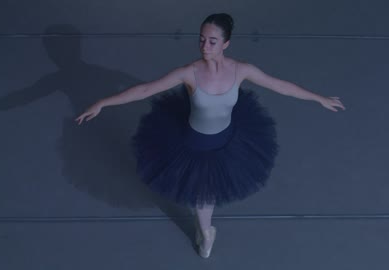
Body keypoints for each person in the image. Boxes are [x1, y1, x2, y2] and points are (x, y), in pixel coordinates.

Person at [75, 13, 345, 259]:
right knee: (201, 195)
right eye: (202, 40)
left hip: (227, 140)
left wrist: (317, 98)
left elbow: (280, 85)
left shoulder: (242, 70)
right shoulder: (189, 72)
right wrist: (103, 102)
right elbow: (146, 90)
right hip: (193, 142)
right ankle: (206, 232)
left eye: (212, 41)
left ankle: (205, 231)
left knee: (206, 193)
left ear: (226, 43)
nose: (204, 46)